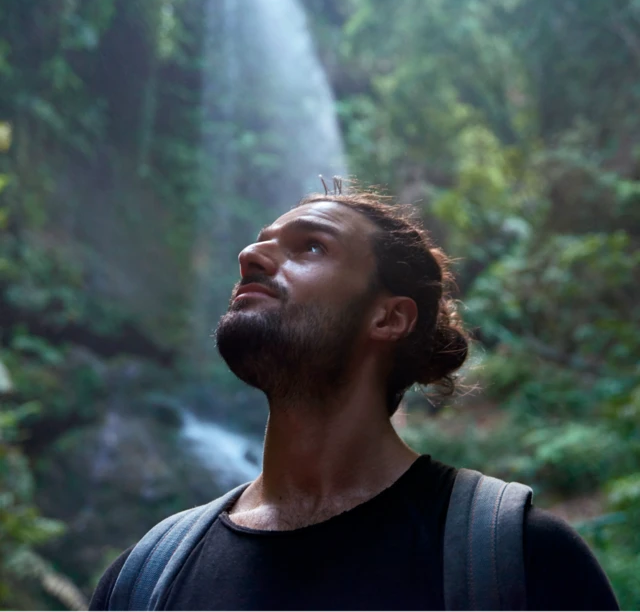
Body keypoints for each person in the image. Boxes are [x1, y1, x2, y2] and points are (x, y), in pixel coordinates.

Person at [90, 187, 619, 611]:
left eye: (311, 246)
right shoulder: (143, 580)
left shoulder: (519, 560)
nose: (250, 255)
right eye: (260, 241)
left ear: (388, 318)